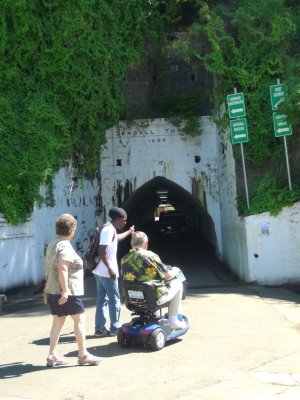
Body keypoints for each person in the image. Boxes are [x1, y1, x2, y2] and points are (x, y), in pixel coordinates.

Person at [44, 213, 102, 367]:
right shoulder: (64, 245)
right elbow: (62, 267)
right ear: (71, 230)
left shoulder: (53, 243)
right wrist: (65, 291)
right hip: (67, 291)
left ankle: (52, 356)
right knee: (79, 320)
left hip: (52, 289)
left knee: (57, 322)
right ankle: (83, 355)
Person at [121, 231, 186, 329]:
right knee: (177, 283)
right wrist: (176, 270)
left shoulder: (124, 258)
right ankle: (173, 320)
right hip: (152, 298)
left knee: (148, 285)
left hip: (132, 299)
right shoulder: (150, 256)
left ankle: (153, 316)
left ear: (131, 244)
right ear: (146, 244)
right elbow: (167, 276)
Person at [93, 207, 134, 337]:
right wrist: (111, 268)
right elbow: (102, 250)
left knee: (102, 300)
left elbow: (116, 238)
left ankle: (99, 329)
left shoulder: (109, 229)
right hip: (106, 272)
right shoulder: (108, 230)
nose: (125, 222)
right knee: (114, 299)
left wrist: (129, 231)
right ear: (118, 219)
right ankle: (114, 328)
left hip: (100, 271)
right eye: (124, 220)